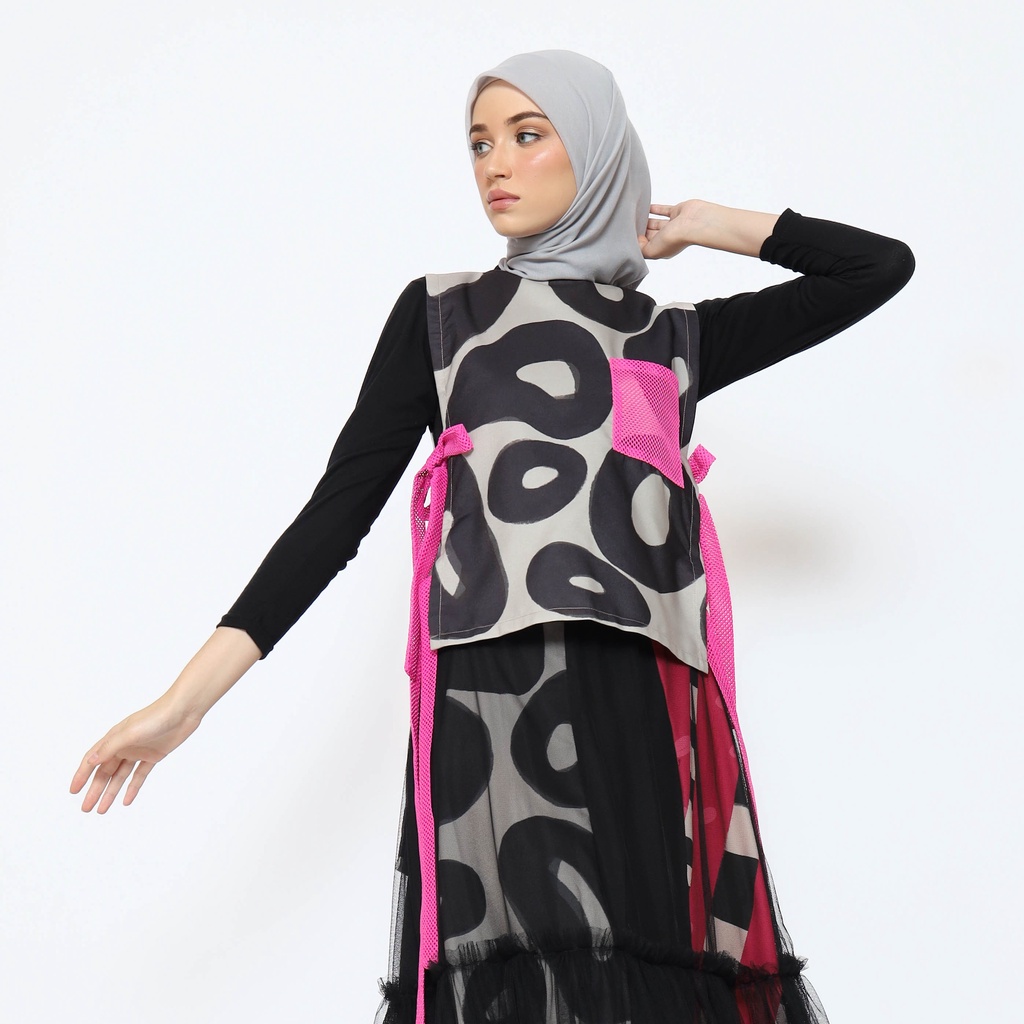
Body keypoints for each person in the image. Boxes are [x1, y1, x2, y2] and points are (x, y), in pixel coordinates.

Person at [71, 49, 914, 1024]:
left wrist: (706, 223)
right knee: (511, 988)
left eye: (527, 134)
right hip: (492, 694)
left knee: (649, 984)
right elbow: (336, 515)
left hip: (637, 696)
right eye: (479, 143)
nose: (495, 165)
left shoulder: (672, 336)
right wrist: (185, 703)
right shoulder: (443, 317)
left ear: (596, 152)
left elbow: (877, 266)